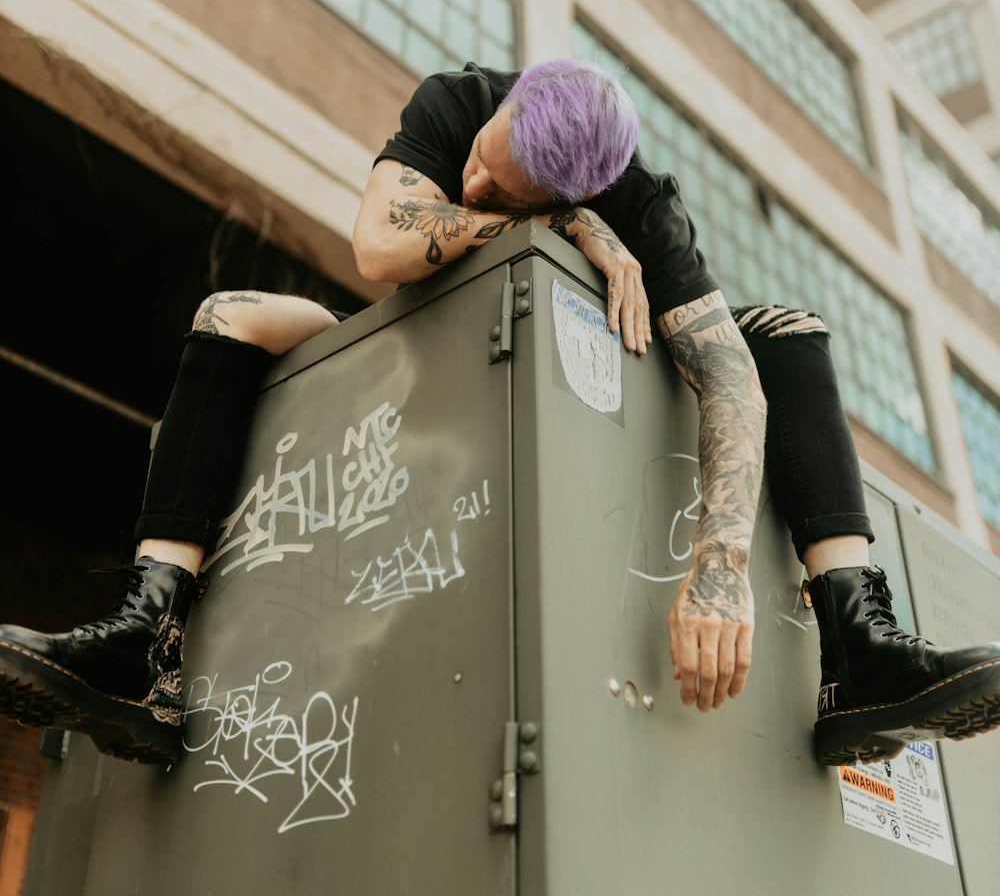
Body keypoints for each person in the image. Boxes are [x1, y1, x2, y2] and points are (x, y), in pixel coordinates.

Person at [1, 60, 997, 769]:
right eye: (483, 159)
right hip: (401, 345)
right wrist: (549, 221)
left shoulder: (640, 200)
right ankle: (146, 641)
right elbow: (380, 250)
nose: (472, 179)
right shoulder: (459, 100)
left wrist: (719, 567)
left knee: (785, 328)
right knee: (230, 313)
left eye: (507, 188)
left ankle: (859, 649)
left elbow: (730, 376)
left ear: (596, 182)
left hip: (534, 374)